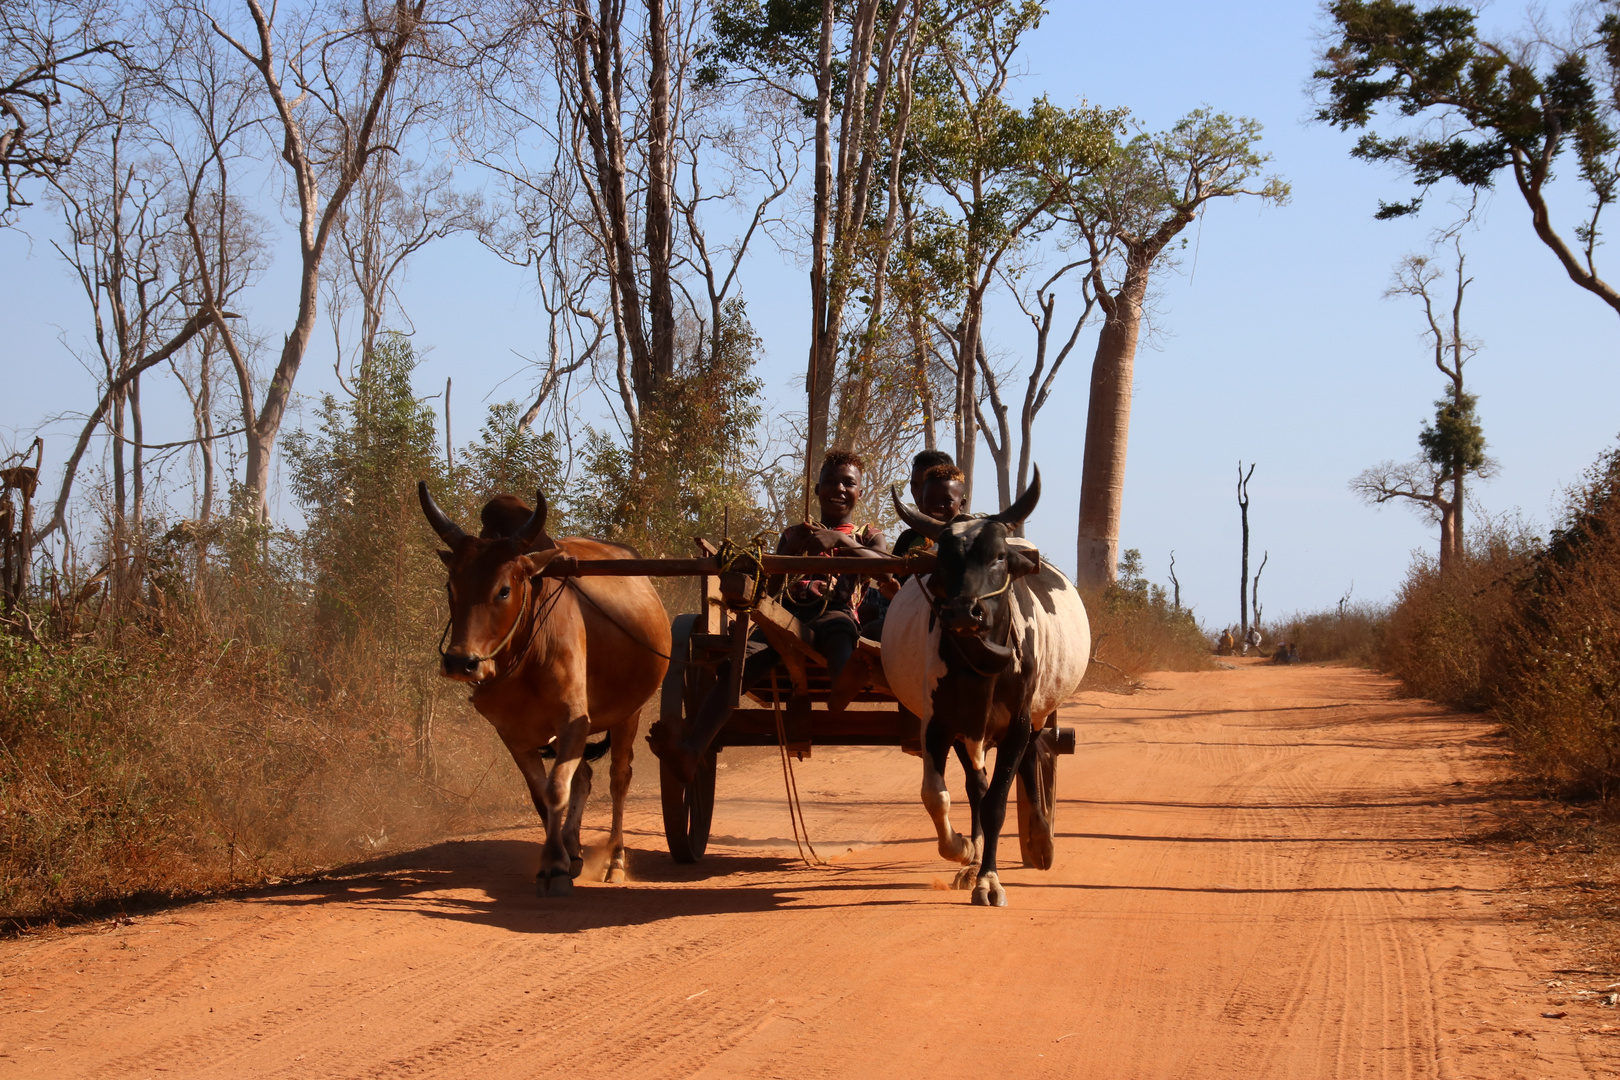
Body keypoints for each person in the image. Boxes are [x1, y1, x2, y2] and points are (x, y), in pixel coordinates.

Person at [648, 449, 888, 783]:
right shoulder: (793, 533)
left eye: (849, 483)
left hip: (836, 611)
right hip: (784, 615)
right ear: (816, 489)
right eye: (830, 482)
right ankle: (692, 750)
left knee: (840, 634)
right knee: (741, 664)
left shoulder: (866, 533)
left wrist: (839, 540)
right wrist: (790, 552)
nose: (840, 489)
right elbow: (772, 586)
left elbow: (882, 563)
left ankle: (841, 689)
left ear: (860, 492)